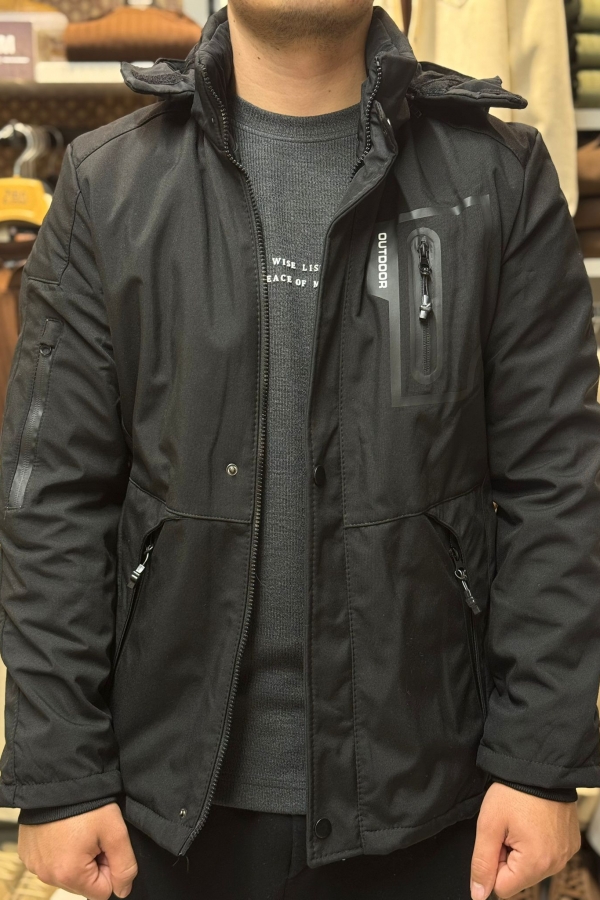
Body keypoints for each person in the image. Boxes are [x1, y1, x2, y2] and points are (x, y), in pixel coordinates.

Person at [0, 1, 598, 898]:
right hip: (165, 808)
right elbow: (51, 494)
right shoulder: (108, 183)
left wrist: (538, 762)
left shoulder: (496, 179)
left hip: (434, 804)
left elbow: (558, 485)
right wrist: (59, 772)